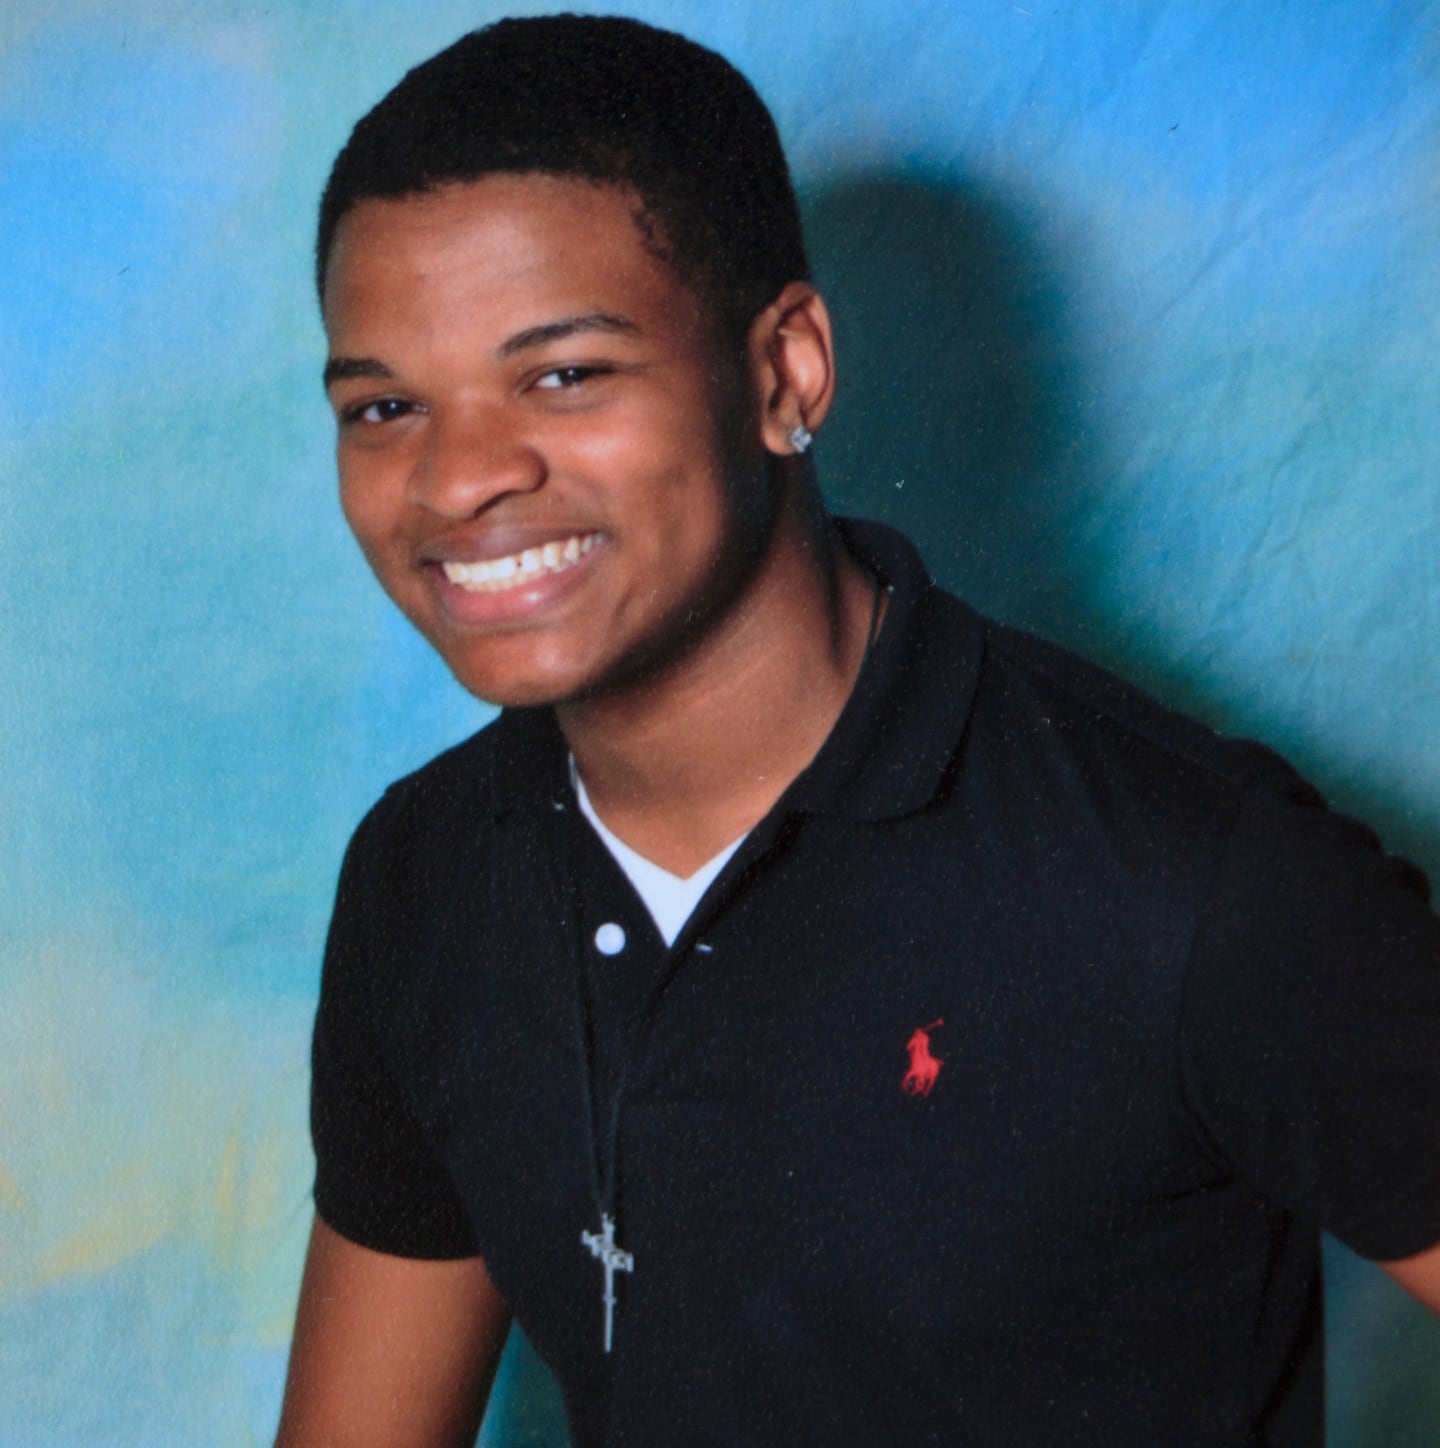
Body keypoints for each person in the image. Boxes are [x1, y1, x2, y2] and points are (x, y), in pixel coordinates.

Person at [275, 15, 1440, 1447]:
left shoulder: (1191, 881)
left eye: (565, 374)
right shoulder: (426, 876)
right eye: (385, 405)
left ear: (788, 372)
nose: (458, 479)